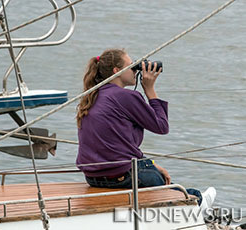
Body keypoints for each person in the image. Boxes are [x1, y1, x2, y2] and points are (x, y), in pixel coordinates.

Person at [76, 48, 215, 208]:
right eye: (131, 65)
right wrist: (150, 89)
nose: (136, 69)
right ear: (117, 71)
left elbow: (115, 144)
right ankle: (199, 203)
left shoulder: (92, 96)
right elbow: (161, 126)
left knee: (159, 178)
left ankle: (195, 199)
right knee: (169, 187)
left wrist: (151, 164)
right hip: (122, 176)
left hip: (94, 177)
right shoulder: (125, 96)